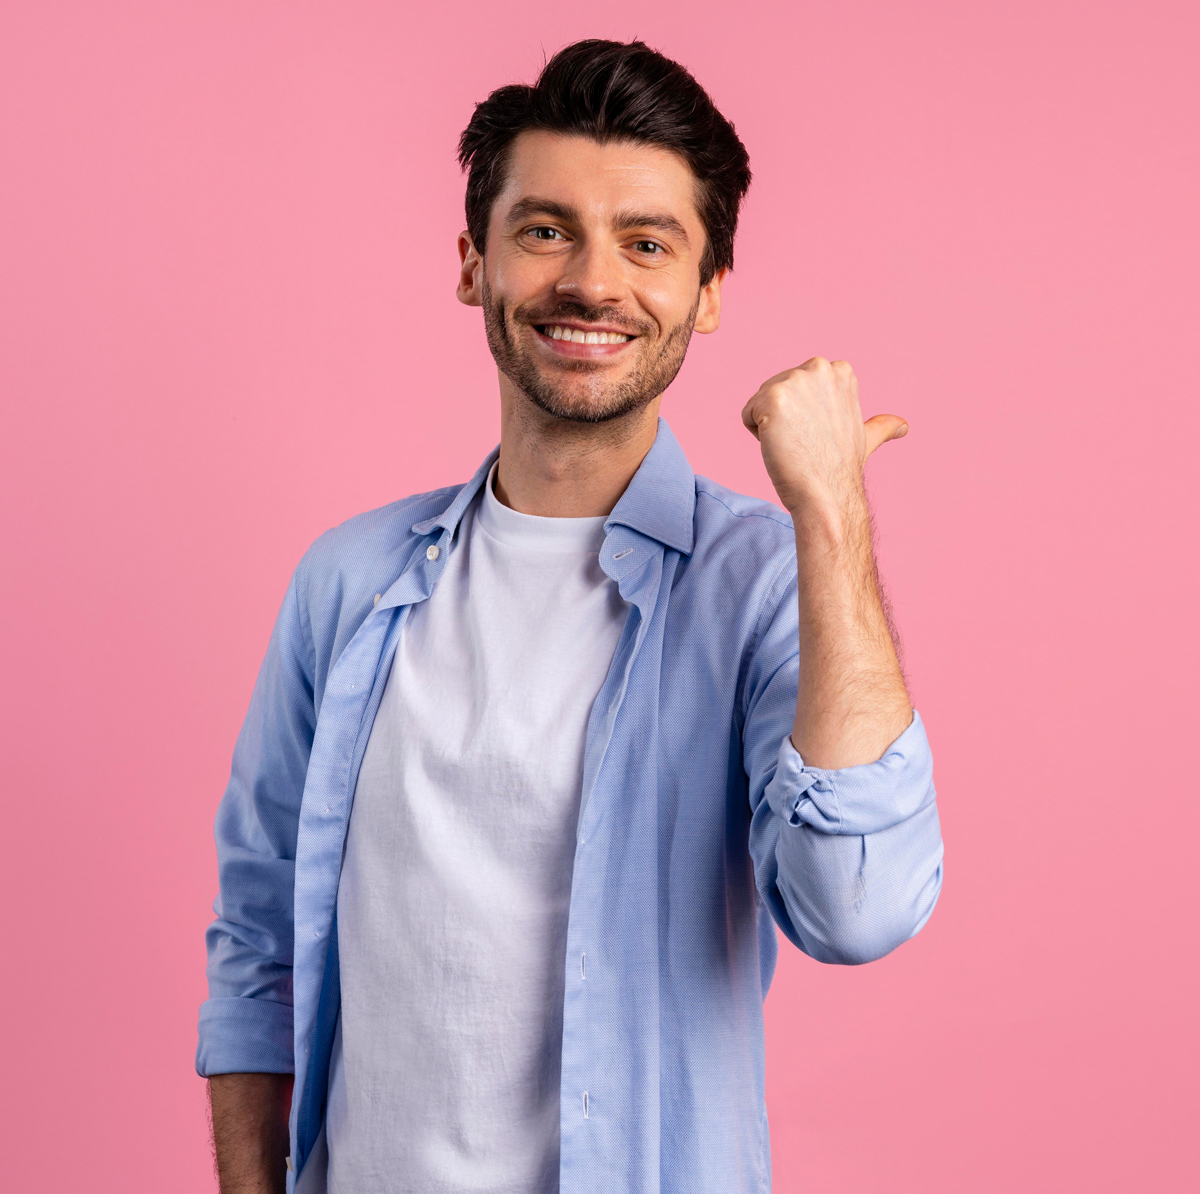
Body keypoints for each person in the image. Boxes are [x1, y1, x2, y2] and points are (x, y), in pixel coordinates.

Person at [198, 38, 944, 1194]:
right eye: (547, 230)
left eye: (648, 243)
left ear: (707, 294)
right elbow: (260, 948)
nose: (593, 283)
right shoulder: (346, 581)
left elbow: (857, 905)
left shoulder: (764, 585)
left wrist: (831, 511)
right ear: (473, 263)